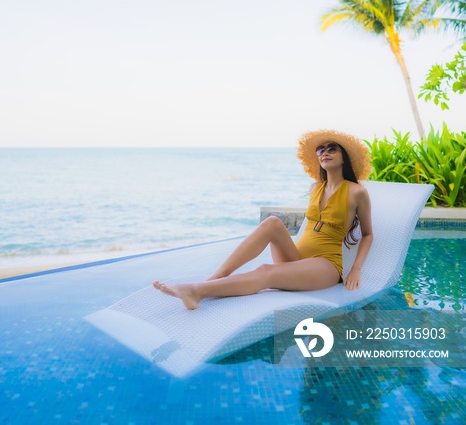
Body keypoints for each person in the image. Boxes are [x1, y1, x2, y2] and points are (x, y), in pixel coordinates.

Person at [153, 129, 374, 310]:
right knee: (272, 223)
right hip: (296, 258)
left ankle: (196, 292)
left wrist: (356, 269)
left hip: (325, 266)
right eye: (320, 149)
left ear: (343, 156)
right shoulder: (316, 187)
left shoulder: (356, 192)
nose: (324, 153)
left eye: (331, 148)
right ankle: (217, 277)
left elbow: (367, 235)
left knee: (266, 271)